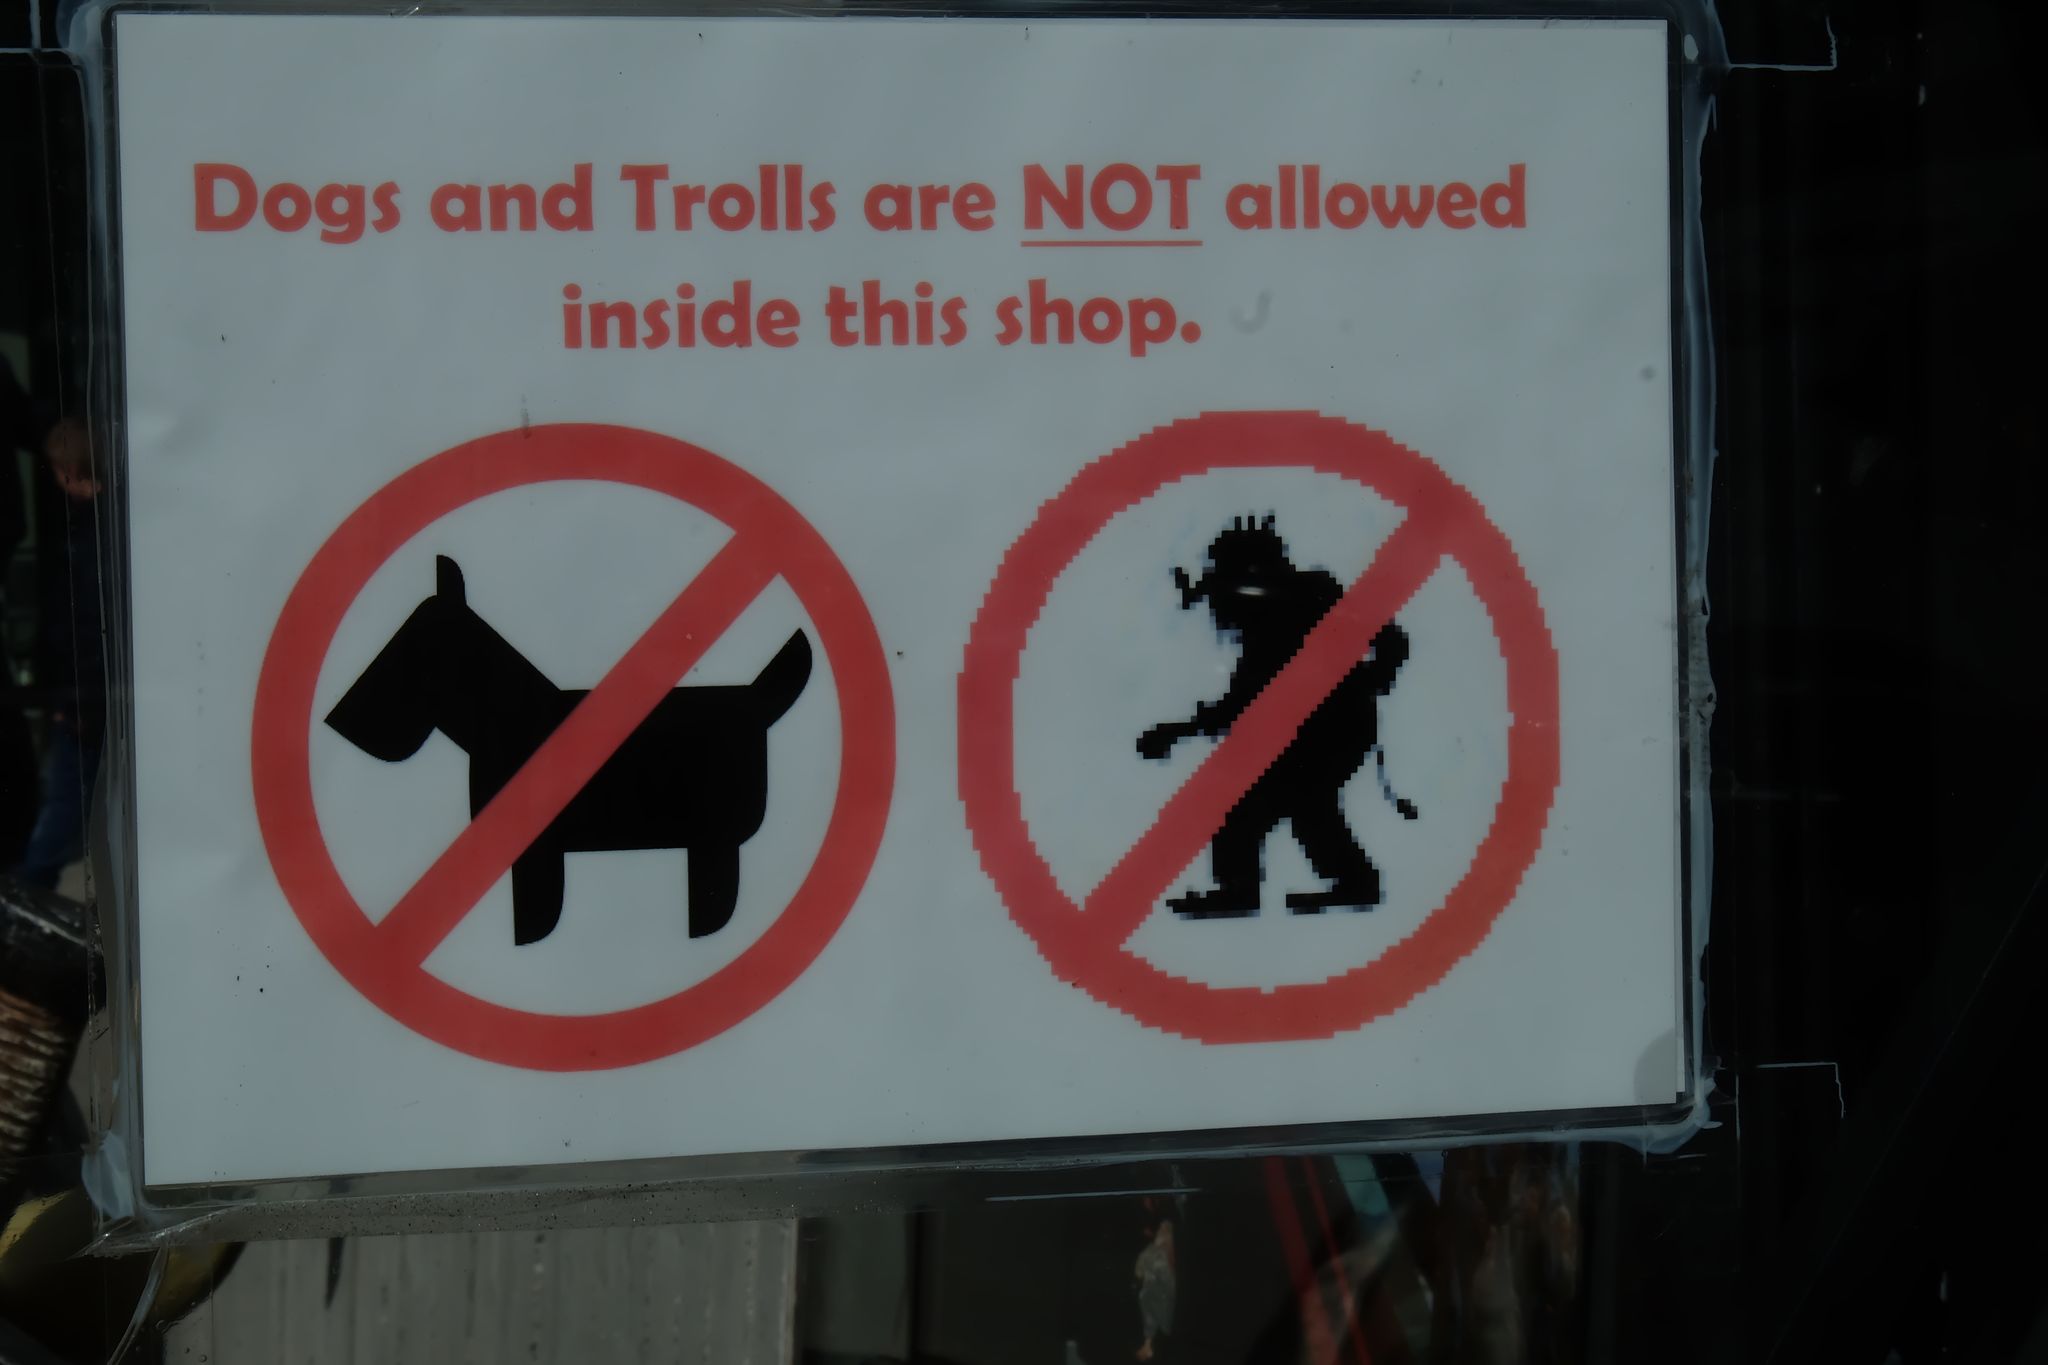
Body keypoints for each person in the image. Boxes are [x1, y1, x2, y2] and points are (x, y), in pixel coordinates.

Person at [1137, 516, 1409, 917]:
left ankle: (1262, 889)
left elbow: (1392, 641)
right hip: (1320, 728)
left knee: (1283, 803)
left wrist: (1363, 683)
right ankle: (1338, 883)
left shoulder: (1309, 600)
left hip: (1335, 728)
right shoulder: (1274, 617)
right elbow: (1244, 702)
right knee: (1296, 806)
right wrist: (1180, 731)